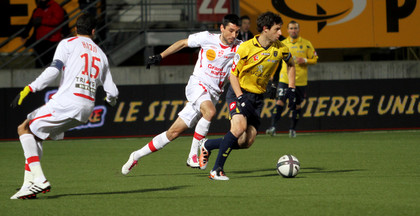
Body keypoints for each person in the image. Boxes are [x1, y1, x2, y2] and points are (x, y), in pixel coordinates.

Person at [9, 13, 119, 199]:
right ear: (93, 31)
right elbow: (113, 92)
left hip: (67, 102)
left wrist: (30, 88)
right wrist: (111, 101)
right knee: (35, 136)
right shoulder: (102, 55)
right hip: (86, 109)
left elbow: (53, 71)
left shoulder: (67, 44)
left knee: (24, 128)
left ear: (76, 29)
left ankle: (39, 179)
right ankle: (28, 187)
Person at [121, 14, 242, 175]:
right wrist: (160, 56)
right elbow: (183, 43)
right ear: (222, 28)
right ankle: (193, 155)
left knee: (173, 133)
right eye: (231, 31)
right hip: (197, 84)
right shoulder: (207, 38)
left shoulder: (240, 47)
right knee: (210, 111)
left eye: (237, 32)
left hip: (212, 93)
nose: (233, 36)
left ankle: (136, 155)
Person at [198, 12, 296, 180]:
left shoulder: (281, 48)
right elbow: (233, 75)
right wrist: (241, 97)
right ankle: (216, 170)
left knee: (246, 142)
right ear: (265, 29)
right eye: (277, 29)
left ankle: (208, 144)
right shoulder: (246, 48)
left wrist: (291, 89)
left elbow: (291, 64)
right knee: (238, 128)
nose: (280, 33)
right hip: (239, 93)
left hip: (258, 98)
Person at [266, 20, 318, 137]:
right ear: (287, 30)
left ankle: (292, 129)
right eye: (291, 28)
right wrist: (271, 74)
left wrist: (304, 60)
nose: (293, 30)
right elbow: (275, 61)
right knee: (279, 101)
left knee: (297, 105)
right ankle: (273, 127)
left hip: (300, 81)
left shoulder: (306, 43)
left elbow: (315, 59)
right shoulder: (282, 43)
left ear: (298, 30)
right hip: (285, 79)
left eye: (295, 28)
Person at [19, 0, 65, 68]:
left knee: (51, 62)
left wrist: (42, 20)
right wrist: (25, 34)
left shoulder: (55, 7)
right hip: (40, 40)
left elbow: (58, 20)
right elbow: (32, 22)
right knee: (40, 62)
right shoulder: (38, 9)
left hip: (52, 40)